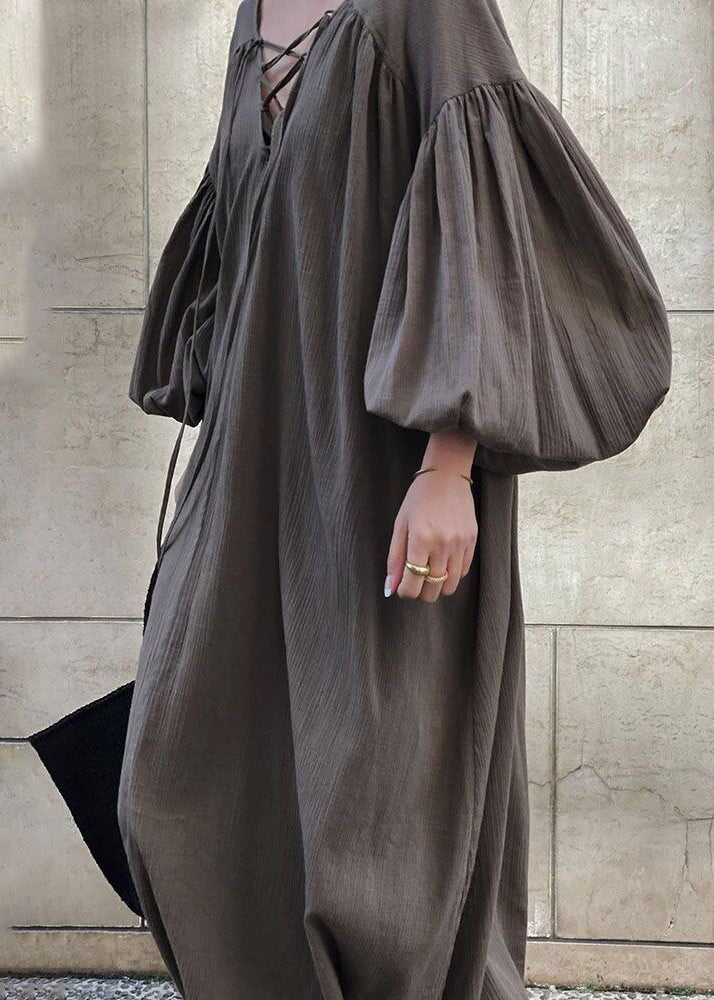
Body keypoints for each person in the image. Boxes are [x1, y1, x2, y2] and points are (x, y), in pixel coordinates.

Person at [43, 0, 675, 996]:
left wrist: (449, 465)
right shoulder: (256, 14)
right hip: (247, 471)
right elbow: (248, 237)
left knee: (379, 830)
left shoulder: (430, 12)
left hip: (387, 475)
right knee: (167, 789)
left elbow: (486, 226)